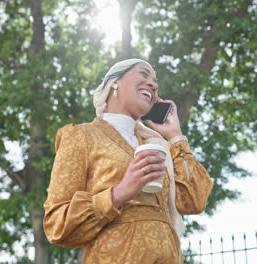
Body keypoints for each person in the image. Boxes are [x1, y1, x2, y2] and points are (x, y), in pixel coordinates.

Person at [43, 58, 213, 263]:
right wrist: (120, 192)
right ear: (114, 82)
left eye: (155, 81)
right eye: (143, 74)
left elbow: (193, 201)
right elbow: (56, 225)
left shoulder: (157, 145)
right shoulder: (81, 136)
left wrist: (175, 136)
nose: (153, 84)